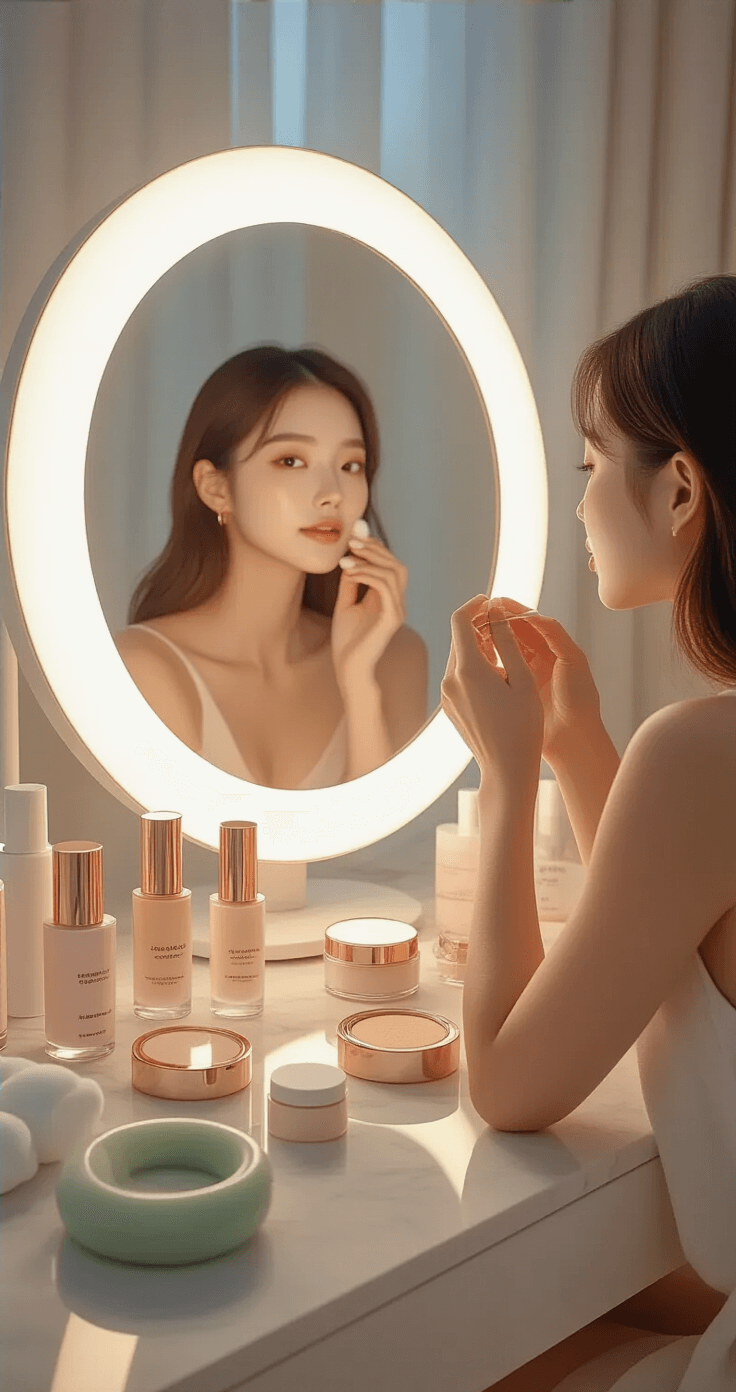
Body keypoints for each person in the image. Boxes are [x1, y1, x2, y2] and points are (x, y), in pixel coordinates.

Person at [441, 274, 736, 1390]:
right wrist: (574, 746)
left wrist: (507, 779)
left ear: (678, 492)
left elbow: (510, 1088)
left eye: (588, 463)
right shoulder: (694, 765)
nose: (574, 503)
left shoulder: (700, 751)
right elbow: (681, 917)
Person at [116, 345, 428, 788]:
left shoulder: (395, 658)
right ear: (216, 488)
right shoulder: (147, 668)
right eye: (291, 460)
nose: (331, 493)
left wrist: (360, 685)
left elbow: (382, 847)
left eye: (350, 464)